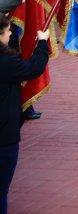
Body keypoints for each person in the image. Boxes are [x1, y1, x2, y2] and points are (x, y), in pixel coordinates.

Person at [0, 13, 49, 211]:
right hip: (4, 135)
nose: (10, 33)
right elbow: (33, 68)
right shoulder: (6, 63)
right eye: (7, 31)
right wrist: (42, 43)